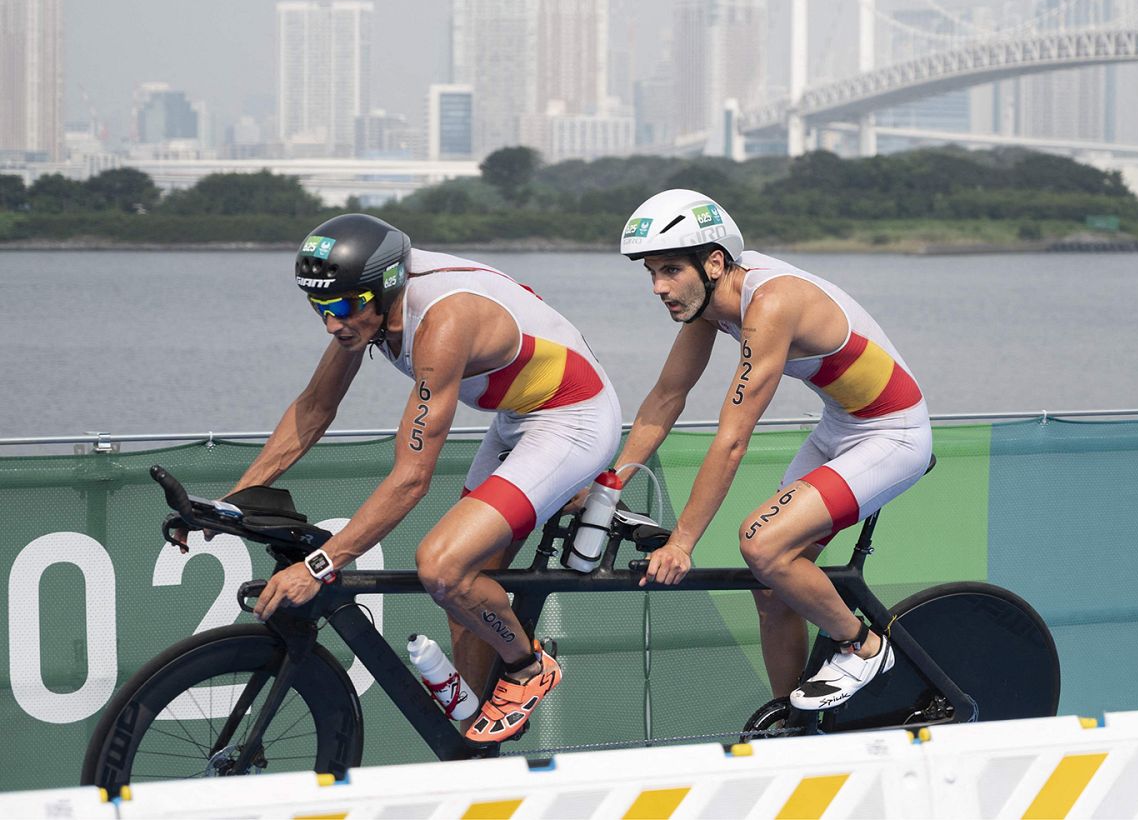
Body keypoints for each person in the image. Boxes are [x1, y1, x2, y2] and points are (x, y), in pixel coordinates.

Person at [231, 212, 620, 744]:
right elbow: (315, 407)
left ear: (382, 288)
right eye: (319, 307)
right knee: (463, 599)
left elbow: (412, 478)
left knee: (442, 565)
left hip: (571, 419)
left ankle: (529, 669)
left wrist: (319, 567)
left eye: (342, 307)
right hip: (516, 418)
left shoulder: (442, 324)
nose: (331, 323)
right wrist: (233, 501)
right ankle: (479, 749)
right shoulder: (367, 308)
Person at [607, 189, 932, 710]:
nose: (657, 287)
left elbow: (733, 438)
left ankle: (864, 647)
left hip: (891, 434)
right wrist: (609, 487)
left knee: (761, 544)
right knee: (771, 589)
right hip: (840, 428)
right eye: (650, 272)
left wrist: (683, 543)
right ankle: (792, 721)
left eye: (669, 270)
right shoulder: (712, 303)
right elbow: (666, 398)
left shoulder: (772, 303)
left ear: (713, 262)